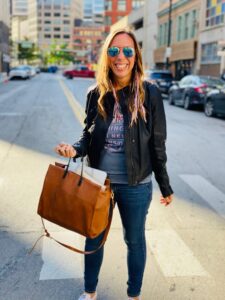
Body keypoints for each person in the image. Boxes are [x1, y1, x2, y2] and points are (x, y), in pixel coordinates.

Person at [54, 28, 173, 300]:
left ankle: (134, 295)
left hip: (136, 184)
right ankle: (89, 292)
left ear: (136, 56)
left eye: (128, 51)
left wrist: (165, 185)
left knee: (134, 241)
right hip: (100, 184)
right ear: (106, 56)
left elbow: (157, 143)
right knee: (94, 239)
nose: (121, 57)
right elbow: (88, 133)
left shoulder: (149, 93)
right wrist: (74, 149)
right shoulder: (96, 92)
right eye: (114, 51)